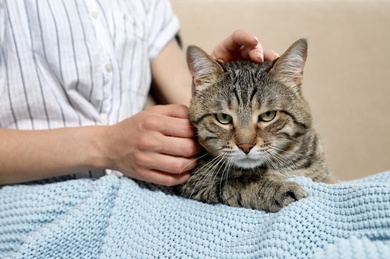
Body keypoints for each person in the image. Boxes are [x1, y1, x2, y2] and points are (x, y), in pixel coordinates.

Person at [0, 0, 278, 186]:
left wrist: (219, 87)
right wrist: (107, 145)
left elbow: (182, 93)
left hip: (135, 192)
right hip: (28, 203)